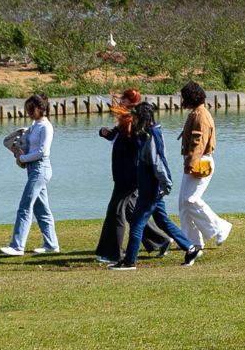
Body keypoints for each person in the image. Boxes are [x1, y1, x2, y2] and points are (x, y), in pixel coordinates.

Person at [109, 102, 201, 270]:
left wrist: (165, 185)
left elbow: (157, 163)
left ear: (142, 118)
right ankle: (190, 248)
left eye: (135, 117)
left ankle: (129, 261)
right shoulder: (147, 133)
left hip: (151, 188)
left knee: (136, 224)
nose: (133, 119)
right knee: (162, 220)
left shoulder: (152, 135)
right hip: (152, 187)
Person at [94, 89, 172, 264]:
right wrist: (105, 133)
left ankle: (111, 252)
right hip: (123, 173)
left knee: (115, 211)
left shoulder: (134, 122)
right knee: (131, 211)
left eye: (124, 99)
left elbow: (139, 148)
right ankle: (159, 241)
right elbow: (117, 137)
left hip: (129, 176)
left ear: (131, 102)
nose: (120, 101)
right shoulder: (127, 120)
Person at [0, 94, 59, 256]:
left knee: (25, 206)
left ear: (41, 109)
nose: (29, 113)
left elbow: (43, 152)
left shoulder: (46, 127)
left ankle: (17, 246)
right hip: (33, 169)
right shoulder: (35, 125)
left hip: (41, 169)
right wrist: (20, 152)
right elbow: (32, 148)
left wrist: (22, 158)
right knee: (42, 209)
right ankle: (51, 245)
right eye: (27, 110)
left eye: (31, 110)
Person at [178, 80, 232, 252]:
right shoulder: (197, 113)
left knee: (190, 200)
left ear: (190, 98)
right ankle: (191, 242)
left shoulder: (200, 116)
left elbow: (198, 143)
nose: (182, 100)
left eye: (184, 97)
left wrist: (190, 163)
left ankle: (220, 227)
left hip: (200, 163)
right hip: (194, 162)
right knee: (183, 203)